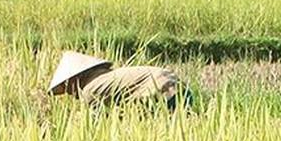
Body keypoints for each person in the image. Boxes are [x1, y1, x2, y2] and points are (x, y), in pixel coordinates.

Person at [48, 51, 186, 106]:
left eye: (67, 87)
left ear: (74, 79)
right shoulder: (106, 76)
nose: (70, 93)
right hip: (179, 86)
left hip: (163, 93)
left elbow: (99, 125)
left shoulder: (90, 90)